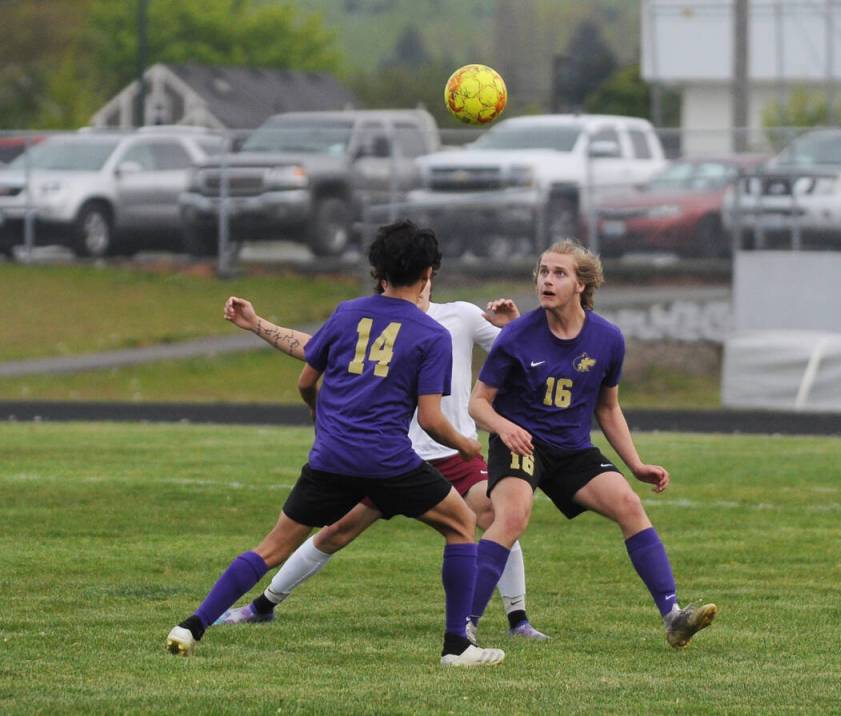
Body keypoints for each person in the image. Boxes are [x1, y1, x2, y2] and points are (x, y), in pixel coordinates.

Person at [165, 219, 505, 667]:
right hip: (389, 462)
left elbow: (308, 373)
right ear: (428, 274)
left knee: (271, 547)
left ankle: (191, 625)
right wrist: (465, 444)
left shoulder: (347, 313)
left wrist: (315, 409)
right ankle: (457, 647)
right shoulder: (431, 335)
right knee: (461, 525)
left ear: (378, 271)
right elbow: (430, 419)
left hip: (331, 458)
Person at [211, 286, 549, 640]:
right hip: (393, 460)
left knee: (497, 517)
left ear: (428, 277)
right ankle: (262, 606)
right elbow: (314, 349)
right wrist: (256, 323)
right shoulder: (374, 320)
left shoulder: (461, 315)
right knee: (335, 532)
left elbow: (524, 357)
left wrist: (513, 325)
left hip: (453, 456)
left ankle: (518, 620)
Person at [466, 239, 717, 649]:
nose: (547, 280)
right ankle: (464, 626)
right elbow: (478, 404)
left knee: (629, 505)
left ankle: (673, 617)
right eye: (543, 272)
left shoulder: (607, 339)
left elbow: (608, 408)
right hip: (522, 444)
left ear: (581, 284)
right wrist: (504, 428)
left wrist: (635, 465)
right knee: (511, 517)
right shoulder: (516, 337)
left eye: (559, 273)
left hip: (571, 450)